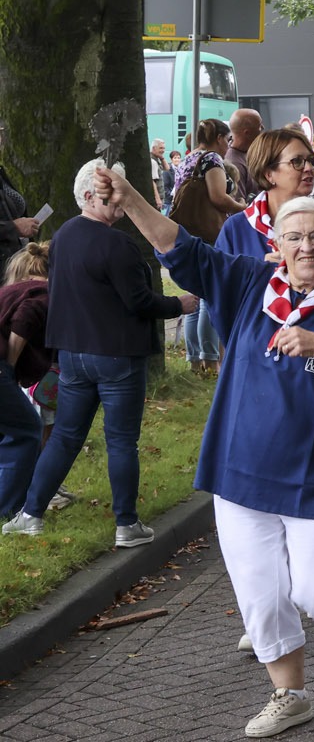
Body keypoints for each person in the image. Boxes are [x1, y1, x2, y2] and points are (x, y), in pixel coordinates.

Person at [89, 163, 314, 736]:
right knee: (261, 595)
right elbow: (179, 248)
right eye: (294, 237)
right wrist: (133, 197)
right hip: (240, 469)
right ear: (278, 247)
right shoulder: (248, 284)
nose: (306, 245)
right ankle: (291, 694)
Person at [3, 161, 197, 546]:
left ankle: (31, 513)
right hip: (118, 356)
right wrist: (181, 306)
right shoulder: (119, 244)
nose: (119, 202)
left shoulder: (63, 237)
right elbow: (139, 302)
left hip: (74, 354)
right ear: (88, 196)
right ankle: (126, 525)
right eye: (111, 194)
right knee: (122, 440)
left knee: (64, 437)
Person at [219, 128, 314, 290]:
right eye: (297, 161)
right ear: (268, 173)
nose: (309, 168)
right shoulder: (236, 229)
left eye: (311, 160)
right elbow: (221, 294)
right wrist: (259, 274)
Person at [175, 118, 245, 375]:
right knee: (209, 297)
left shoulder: (187, 158)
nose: (228, 146)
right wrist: (244, 209)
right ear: (218, 138)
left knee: (194, 296)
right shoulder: (212, 160)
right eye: (227, 140)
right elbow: (218, 197)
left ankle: (194, 359)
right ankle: (210, 358)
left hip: (187, 231)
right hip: (208, 233)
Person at [0, 242, 50, 520]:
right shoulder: (43, 292)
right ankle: (7, 509)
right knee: (26, 430)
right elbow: (26, 317)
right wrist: (10, 364)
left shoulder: (9, 291)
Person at [226, 108, 264, 202]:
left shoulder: (249, 153)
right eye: (259, 126)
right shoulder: (235, 163)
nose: (262, 128)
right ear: (247, 133)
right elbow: (239, 204)